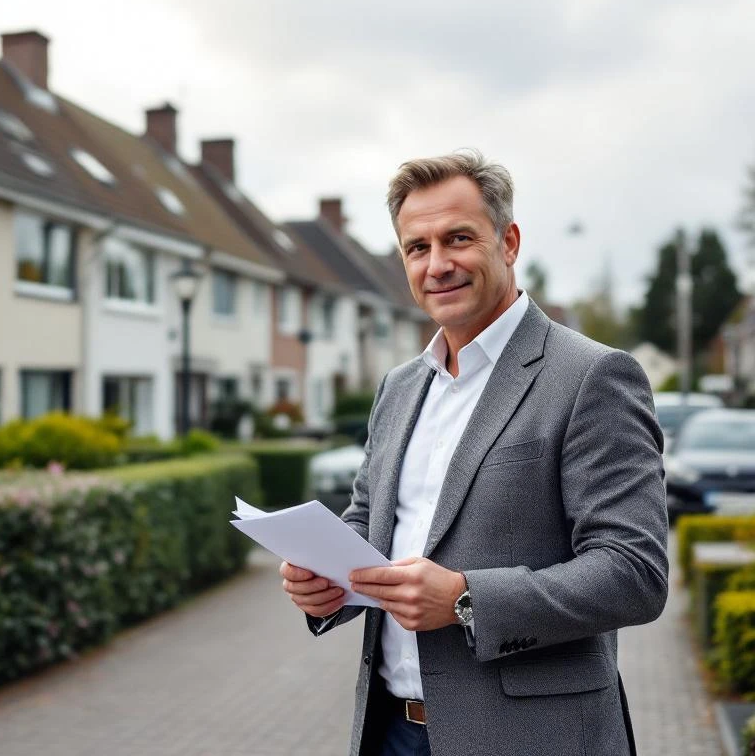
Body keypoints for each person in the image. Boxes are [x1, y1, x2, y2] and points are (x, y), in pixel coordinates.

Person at [281, 150, 668, 756]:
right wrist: (325, 579)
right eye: (417, 247)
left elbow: (634, 572)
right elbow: (368, 521)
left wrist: (466, 599)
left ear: (508, 242)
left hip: (531, 739)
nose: (437, 265)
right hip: (389, 731)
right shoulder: (400, 387)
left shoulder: (592, 376)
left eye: (458, 238)